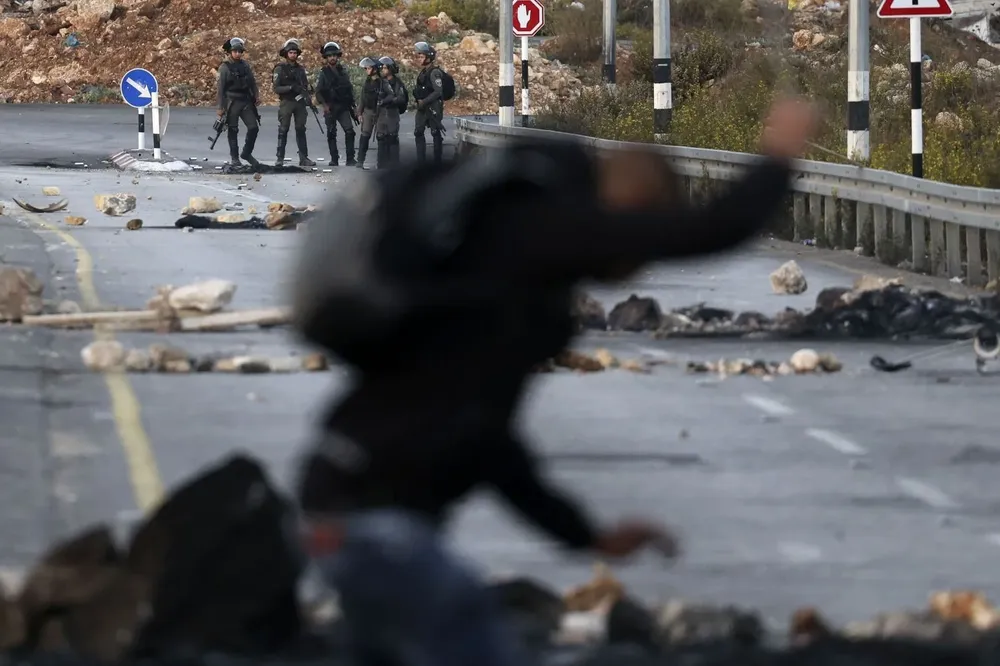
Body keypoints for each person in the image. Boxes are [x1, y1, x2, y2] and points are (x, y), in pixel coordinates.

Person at [291, 97, 819, 666]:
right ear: (627, 205)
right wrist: (778, 155)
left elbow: (491, 445)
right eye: (636, 231)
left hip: (353, 504)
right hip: (376, 524)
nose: (638, 258)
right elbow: (711, 229)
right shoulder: (536, 227)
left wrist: (585, 537)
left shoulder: (507, 295)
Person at [216, 37, 261, 167]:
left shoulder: (245, 65)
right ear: (230, 52)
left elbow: (252, 82)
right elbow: (221, 89)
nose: (238, 54)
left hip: (245, 100)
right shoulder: (225, 67)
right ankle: (235, 158)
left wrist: (256, 96)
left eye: (240, 51)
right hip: (232, 102)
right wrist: (220, 107)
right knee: (233, 130)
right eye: (235, 51)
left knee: (253, 127)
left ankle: (246, 153)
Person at [272, 38, 316, 167]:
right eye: (290, 53)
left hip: (300, 103)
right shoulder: (280, 69)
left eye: (295, 53)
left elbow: (305, 86)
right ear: (286, 54)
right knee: (283, 129)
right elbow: (276, 88)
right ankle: (280, 158)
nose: (293, 55)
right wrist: (291, 88)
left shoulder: (300, 69)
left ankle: (304, 158)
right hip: (287, 101)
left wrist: (308, 95)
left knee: (301, 129)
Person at [315, 41, 358, 167]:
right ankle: (334, 159)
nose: (332, 58)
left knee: (350, 131)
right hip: (331, 107)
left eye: (334, 55)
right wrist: (325, 105)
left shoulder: (343, 72)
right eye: (330, 56)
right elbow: (318, 92)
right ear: (326, 58)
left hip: (344, 106)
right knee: (331, 133)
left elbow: (349, 89)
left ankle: (350, 158)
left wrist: (353, 106)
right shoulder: (324, 73)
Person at [412, 41, 447, 164]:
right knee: (418, 132)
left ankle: (437, 161)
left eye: (422, 57)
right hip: (423, 107)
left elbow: (438, 91)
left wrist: (424, 101)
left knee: (435, 132)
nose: (419, 59)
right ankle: (420, 161)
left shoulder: (434, 72)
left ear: (429, 57)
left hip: (433, 106)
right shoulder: (423, 72)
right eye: (419, 56)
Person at [375, 56, 406, 169]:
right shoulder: (380, 82)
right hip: (381, 114)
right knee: (381, 138)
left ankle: (394, 165)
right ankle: (381, 164)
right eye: (382, 68)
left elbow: (401, 98)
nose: (382, 70)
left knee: (392, 138)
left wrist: (389, 101)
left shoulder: (397, 83)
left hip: (392, 113)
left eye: (384, 68)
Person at [354, 57, 382, 170]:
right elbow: (363, 98)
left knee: (381, 136)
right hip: (368, 111)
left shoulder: (381, 82)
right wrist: (359, 112)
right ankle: (360, 160)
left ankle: (381, 162)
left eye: (369, 68)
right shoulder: (368, 81)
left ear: (375, 69)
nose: (366, 70)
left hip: (379, 112)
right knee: (365, 135)